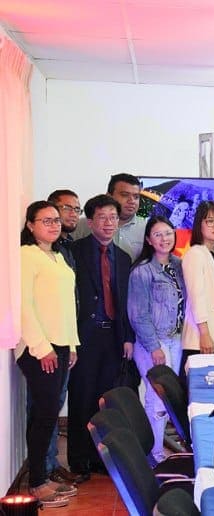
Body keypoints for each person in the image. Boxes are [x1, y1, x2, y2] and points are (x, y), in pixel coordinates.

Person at [68, 195, 134, 482]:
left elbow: (126, 303)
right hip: (84, 336)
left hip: (113, 337)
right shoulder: (74, 251)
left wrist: (127, 337)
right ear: (91, 221)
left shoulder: (124, 258)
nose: (109, 223)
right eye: (102, 217)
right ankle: (79, 459)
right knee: (81, 396)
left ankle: (101, 458)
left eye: (113, 217)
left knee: (106, 400)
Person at [18, 201, 79, 507]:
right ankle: (37, 482)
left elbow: (67, 305)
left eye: (56, 220)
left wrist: (72, 345)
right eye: (46, 220)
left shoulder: (58, 256)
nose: (54, 225)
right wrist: (42, 348)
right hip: (39, 348)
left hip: (61, 345)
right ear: (31, 225)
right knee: (44, 415)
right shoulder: (26, 255)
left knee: (50, 413)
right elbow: (23, 305)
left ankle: (43, 475)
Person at [127, 216, 185, 465]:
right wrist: (154, 347)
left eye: (168, 233)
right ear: (149, 240)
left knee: (169, 397)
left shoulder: (180, 266)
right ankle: (156, 455)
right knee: (157, 397)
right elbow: (138, 314)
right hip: (153, 342)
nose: (164, 239)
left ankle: (160, 449)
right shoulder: (142, 272)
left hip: (177, 339)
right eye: (158, 234)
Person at [38, 190, 81, 486]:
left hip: (65, 340)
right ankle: (43, 469)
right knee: (44, 408)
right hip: (45, 344)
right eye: (67, 208)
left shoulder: (64, 248)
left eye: (76, 210)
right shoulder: (33, 253)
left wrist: (72, 343)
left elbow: (69, 301)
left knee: (55, 404)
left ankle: (52, 463)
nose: (71, 215)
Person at [181, 201, 214, 372]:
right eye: (210, 221)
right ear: (199, 225)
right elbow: (197, 298)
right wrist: (204, 334)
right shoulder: (195, 254)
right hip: (200, 340)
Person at [73, 174, 147, 262]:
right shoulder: (83, 225)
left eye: (136, 197)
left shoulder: (147, 229)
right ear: (109, 196)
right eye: (125, 195)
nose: (132, 201)